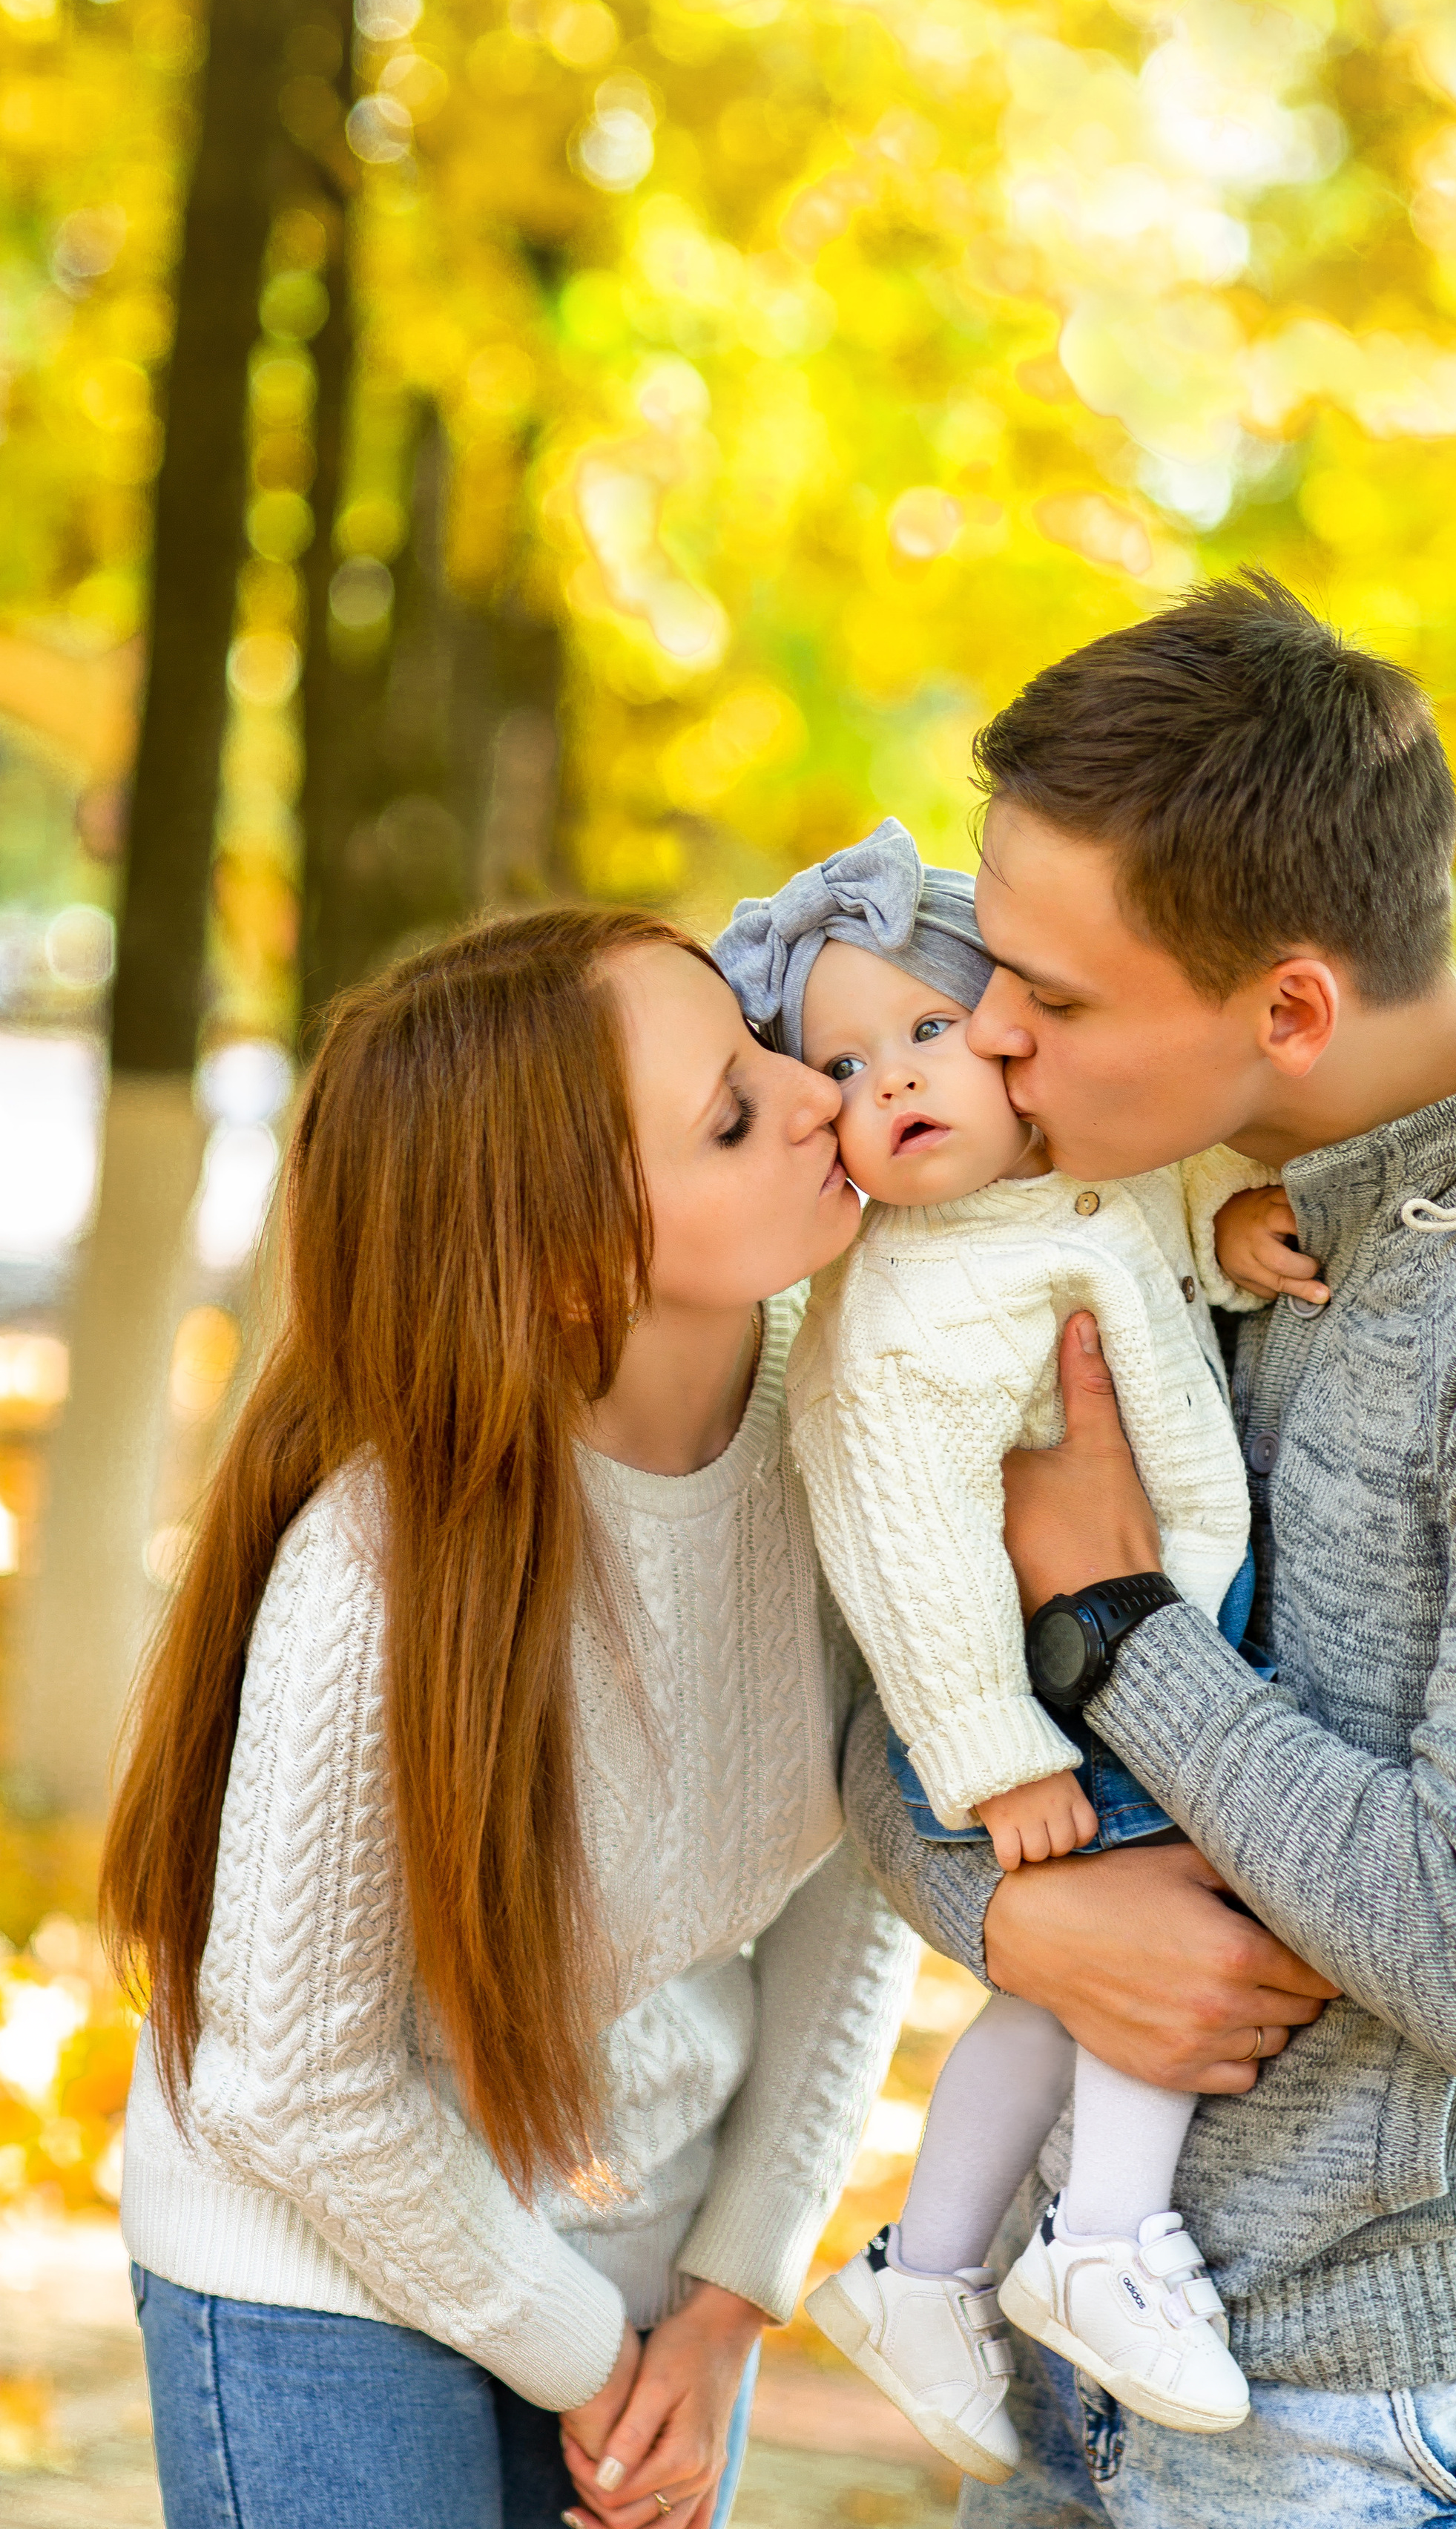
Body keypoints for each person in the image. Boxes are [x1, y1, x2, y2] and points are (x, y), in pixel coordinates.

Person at [841, 571, 1456, 2528]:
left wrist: (1120, 1627)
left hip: (1372, 2414)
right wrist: (1021, 1920)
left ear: (1290, 1006)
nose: (994, 1050)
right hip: (1074, 2326)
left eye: (1049, 1000)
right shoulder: (1145, 1219)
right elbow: (881, 1707)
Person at [100, 909, 918, 2529]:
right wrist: (581, 2357)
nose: (816, 1089)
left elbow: (865, 1875)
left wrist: (725, 2304)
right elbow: (295, 2089)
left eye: (759, 1044)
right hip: (317, 2255)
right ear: (564, 1264)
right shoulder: (382, 1563)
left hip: (643, 2244)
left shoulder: (857, 1432)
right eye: (733, 1113)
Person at [711, 822, 1312, 2478]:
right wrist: (993, 1753)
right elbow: (905, 1556)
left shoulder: (1061, 1187)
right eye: (834, 1063)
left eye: (925, 1030)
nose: (889, 1077)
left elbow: (1137, 1227)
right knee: (1152, 1940)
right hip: (1029, 1691)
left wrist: (1233, 1227)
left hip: (1140, 1636)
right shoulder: (900, 1315)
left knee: (1054, 2001)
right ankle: (1101, 2241)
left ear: (1006, 1039)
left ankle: (925, 2269)